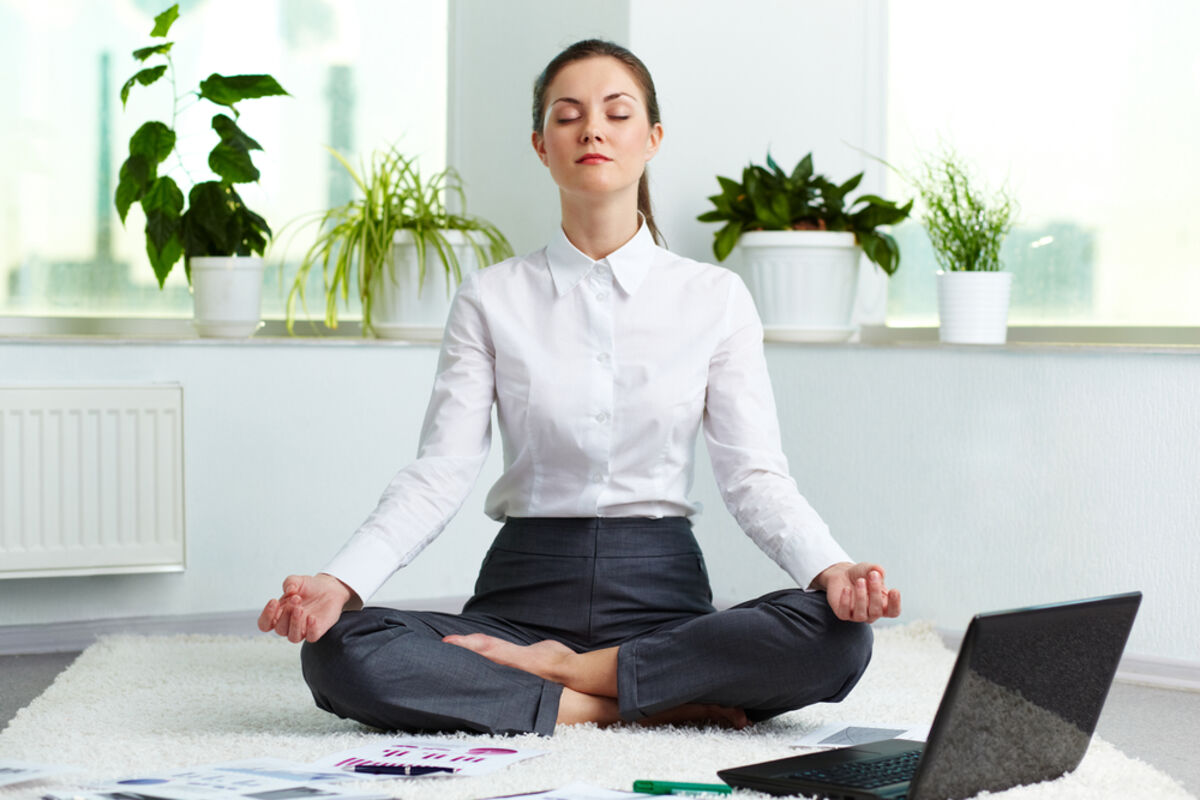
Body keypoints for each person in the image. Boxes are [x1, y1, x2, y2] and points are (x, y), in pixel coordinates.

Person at [258, 39, 900, 737]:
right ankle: (631, 703)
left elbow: (754, 477)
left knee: (838, 638)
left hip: (663, 605)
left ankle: (567, 676)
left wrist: (831, 569)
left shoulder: (715, 297)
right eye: (568, 116)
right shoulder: (490, 297)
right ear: (542, 146)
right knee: (339, 650)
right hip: (521, 599)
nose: (592, 129)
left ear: (652, 139)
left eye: (617, 114)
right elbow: (440, 471)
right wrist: (341, 581)